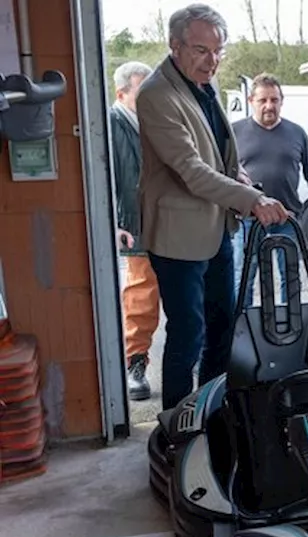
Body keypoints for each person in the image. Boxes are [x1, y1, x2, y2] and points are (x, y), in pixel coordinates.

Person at [136, 3, 289, 410]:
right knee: (188, 334)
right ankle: (176, 425)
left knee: (223, 327)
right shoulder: (156, 95)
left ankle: (211, 410)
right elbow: (191, 169)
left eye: (219, 51)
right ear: (174, 45)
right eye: (202, 50)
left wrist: (238, 177)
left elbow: (217, 152)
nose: (213, 61)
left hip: (217, 228)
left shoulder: (203, 83)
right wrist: (253, 199)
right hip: (177, 238)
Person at [231, 73, 308, 305]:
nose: (269, 106)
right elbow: (220, 175)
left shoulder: (296, 133)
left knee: (291, 276)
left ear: (281, 102)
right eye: (263, 100)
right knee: (243, 277)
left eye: (274, 100)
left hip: (286, 217)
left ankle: (291, 327)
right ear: (251, 101)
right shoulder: (234, 133)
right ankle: (241, 328)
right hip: (248, 219)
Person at [109, 60, 156, 402]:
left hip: (168, 223)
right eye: (142, 92)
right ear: (121, 93)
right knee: (141, 299)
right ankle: (134, 365)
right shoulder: (111, 124)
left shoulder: (154, 122)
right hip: (135, 226)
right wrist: (113, 221)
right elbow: (103, 177)